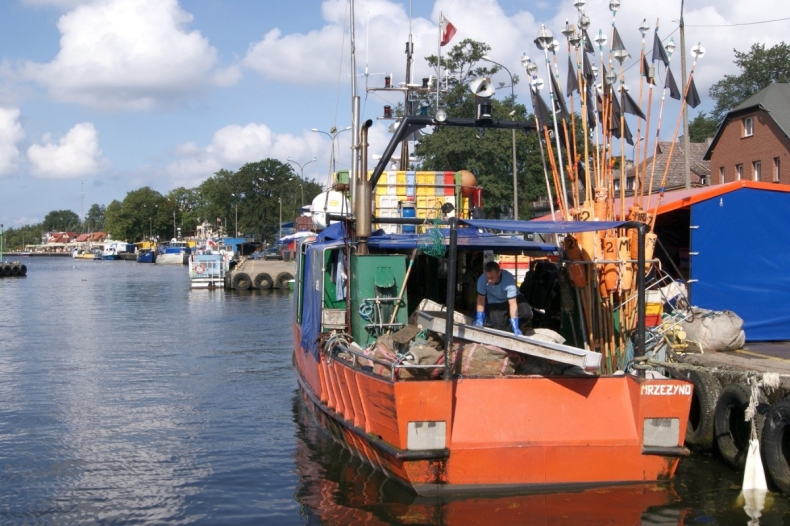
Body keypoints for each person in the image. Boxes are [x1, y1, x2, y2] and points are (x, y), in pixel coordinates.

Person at [474, 261, 533, 335]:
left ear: (499, 273)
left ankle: (512, 327)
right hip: (495, 301)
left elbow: (512, 303)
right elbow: (481, 299)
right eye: (487, 277)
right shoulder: (482, 280)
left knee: (526, 314)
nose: (489, 280)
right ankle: (501, 325)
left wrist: (515, 325)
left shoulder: (508, 280)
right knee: (499, 328)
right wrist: (479, 317)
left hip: (513, 298)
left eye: (492, 277)